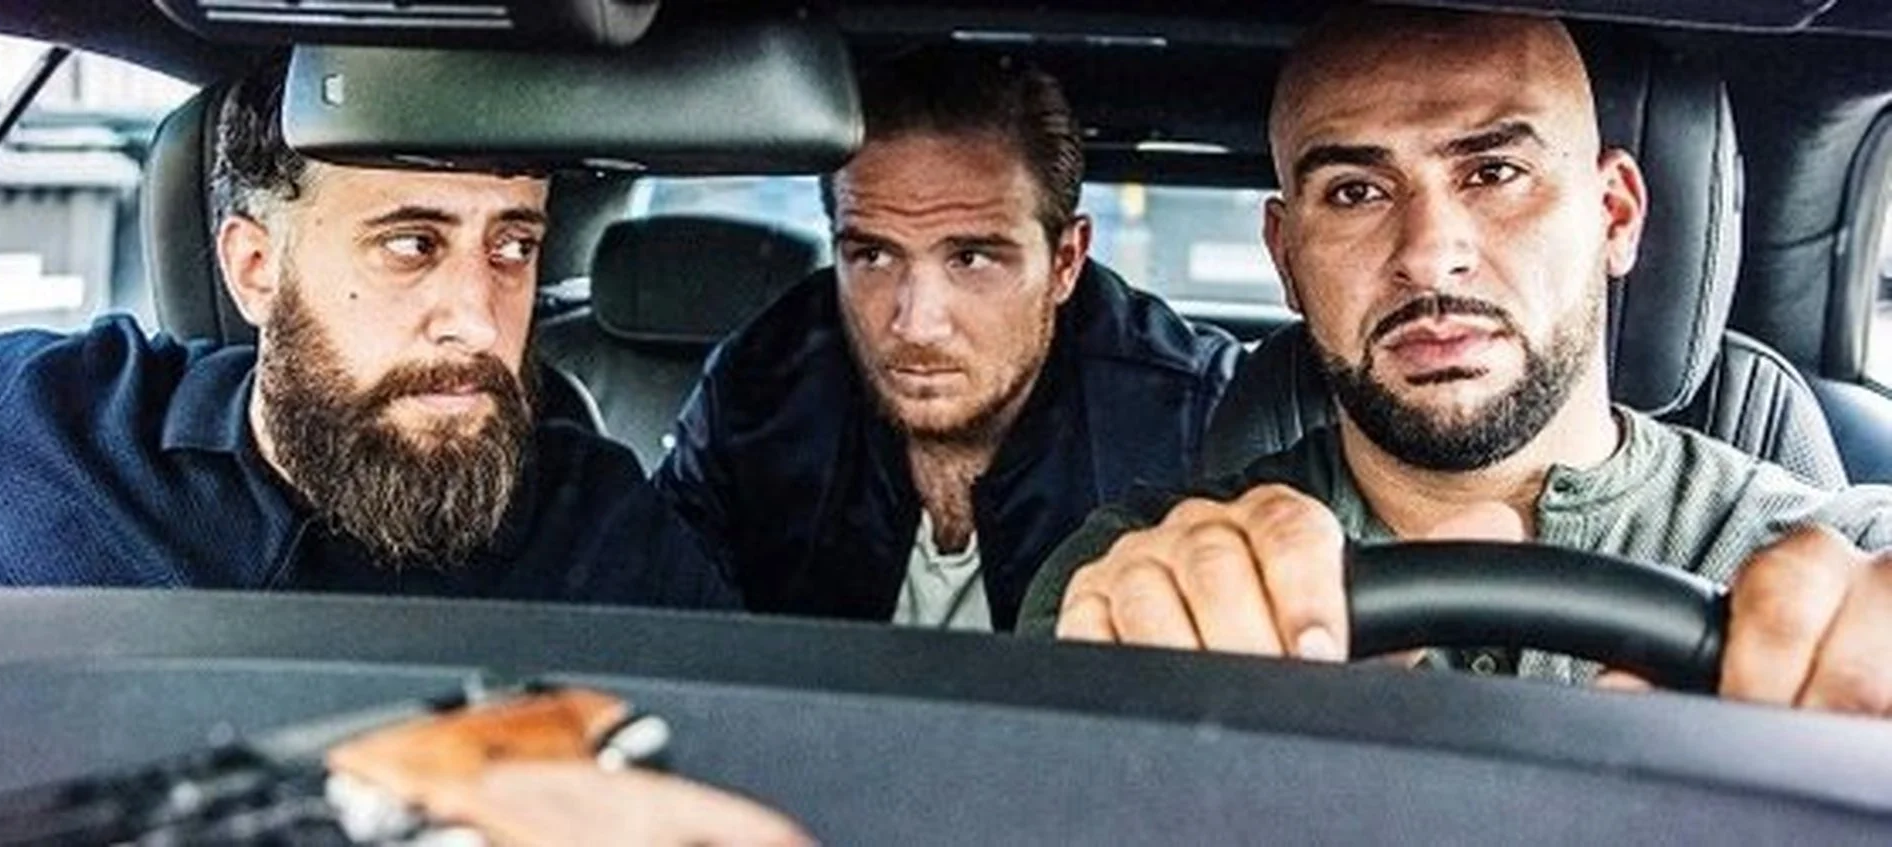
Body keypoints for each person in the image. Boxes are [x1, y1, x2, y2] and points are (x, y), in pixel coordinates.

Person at [1019, 7, 1892, 717]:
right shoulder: (1144, 577)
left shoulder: (1844, 560)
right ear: (1286, 259)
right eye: (1356, 192)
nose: (1430, 256)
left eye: (1495, 172)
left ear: (1615, 216)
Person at [0, 59, 734, 610]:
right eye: (412, 245)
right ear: (256, 267)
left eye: (512, 247)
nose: (479, 320)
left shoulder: (602, 534)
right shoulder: (17, 423)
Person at [655, 48, 1240, 631]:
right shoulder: (757, 394)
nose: (916, 324)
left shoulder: (1194, 421)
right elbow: (660, 624)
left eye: (970, 258)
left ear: (1065, 261)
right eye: (873, 256)